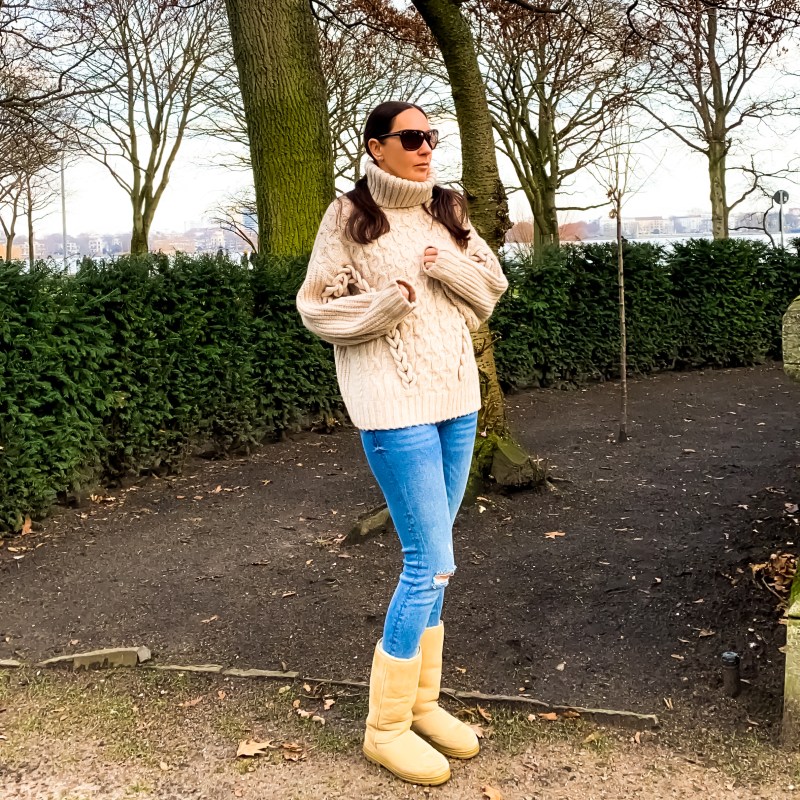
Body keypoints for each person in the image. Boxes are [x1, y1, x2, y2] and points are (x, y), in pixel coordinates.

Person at [296, 100, 508, 786]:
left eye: (431, 137)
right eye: (411, 137)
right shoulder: (348, 217)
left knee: (440, 564)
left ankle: (421, 704)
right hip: (395, 411)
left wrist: (447, 271)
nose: (425, 148)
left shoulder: (449, 207)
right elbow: (317, 310)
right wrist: (388, 302)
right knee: (430, 563)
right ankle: (384, 727)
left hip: (458, 403)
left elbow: (491, 290)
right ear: (375, 146)